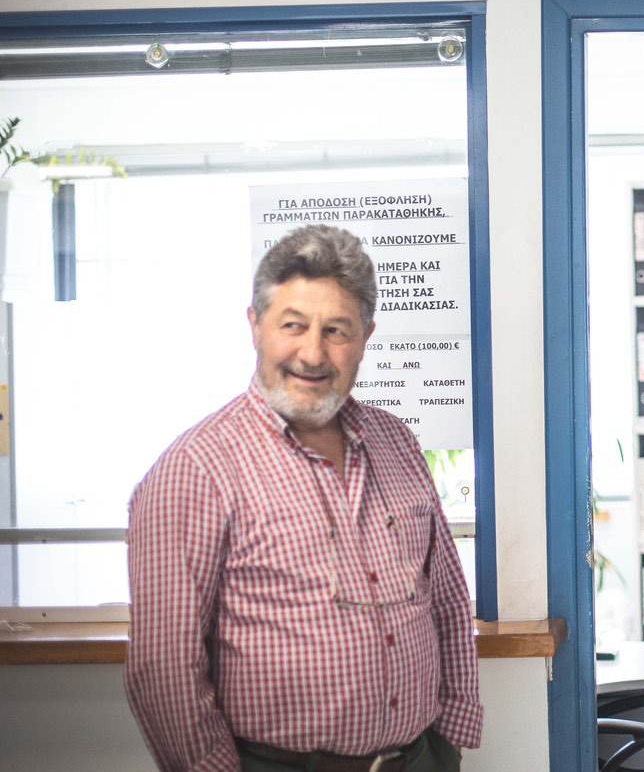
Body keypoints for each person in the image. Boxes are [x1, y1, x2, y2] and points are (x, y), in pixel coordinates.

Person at [125, 225, 481, 772]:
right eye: (293, 325)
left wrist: (448, 736)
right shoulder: (195, 469)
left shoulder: (395, 441)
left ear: (366, 336)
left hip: (418, 758)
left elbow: (448, 599)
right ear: (255, 325)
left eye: (336, 330)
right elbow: (164, 666)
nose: (312, 353)